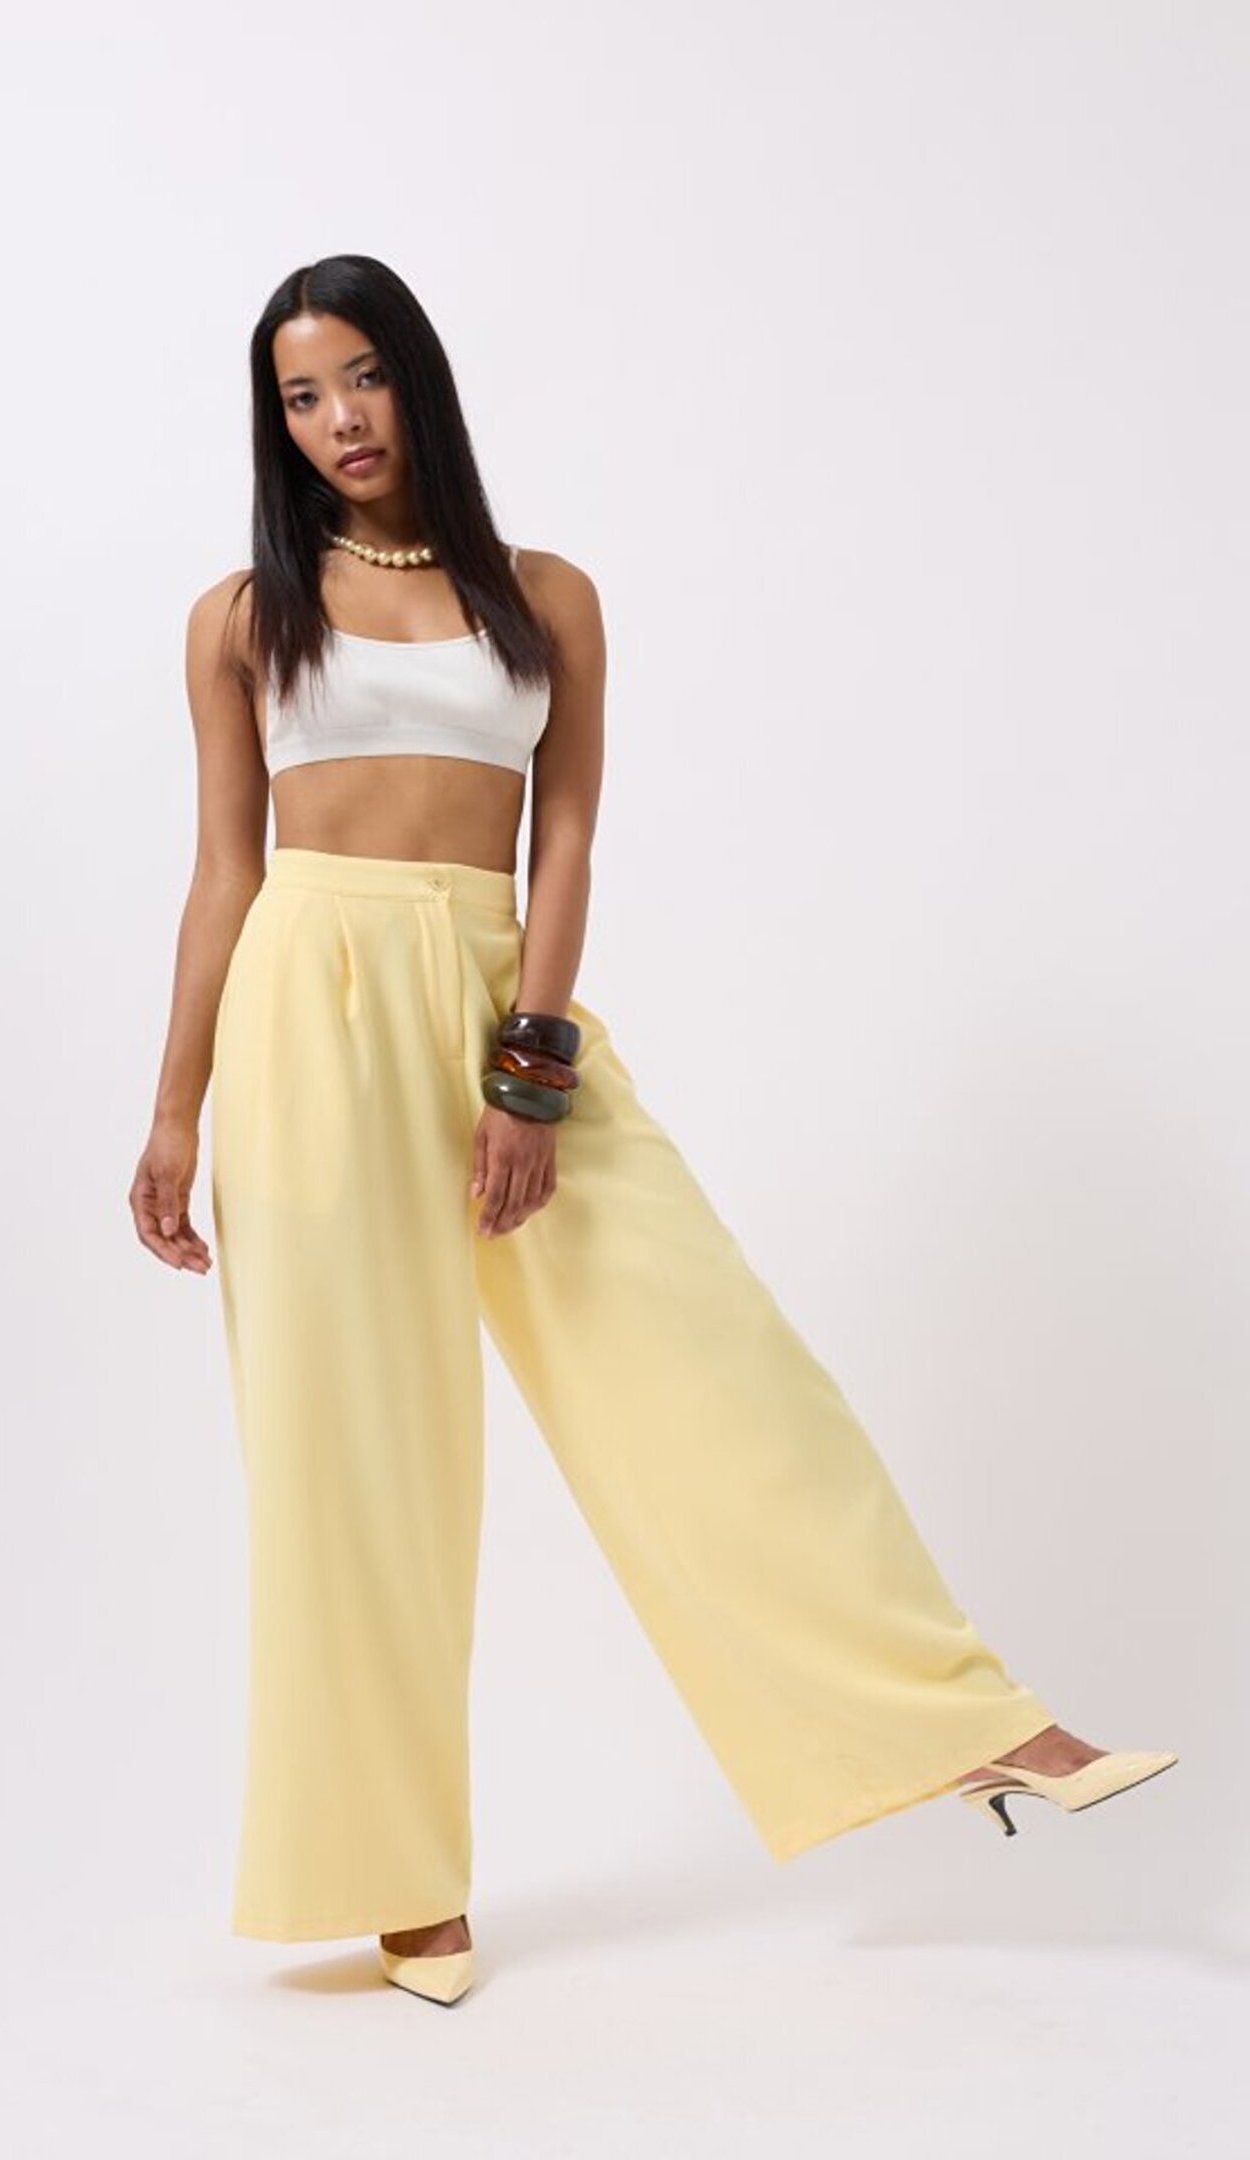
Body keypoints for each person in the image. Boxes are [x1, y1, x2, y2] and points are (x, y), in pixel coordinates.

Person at [129, 254, 1176, 2009]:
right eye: (301, 397)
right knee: (354, 1458)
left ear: (417, 381)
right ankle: (400, 1883)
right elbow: (226, 868)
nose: (338, 420)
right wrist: (175, 1111)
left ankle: (965, 1723)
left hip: (495, 990)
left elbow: (564, 842)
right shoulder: (243, 616)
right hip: (301, 1013)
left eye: (363, 377)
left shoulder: (546, 596)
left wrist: (530, 1073)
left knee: (707, 1357)